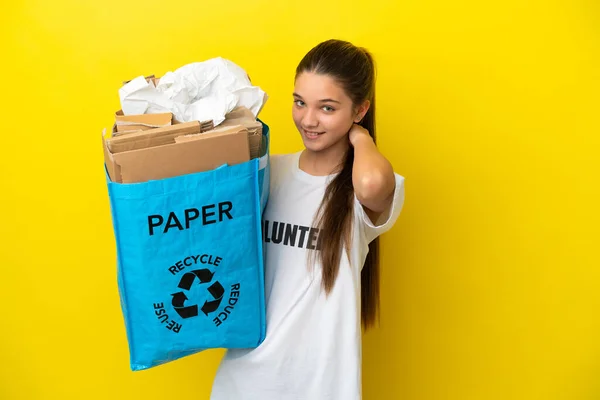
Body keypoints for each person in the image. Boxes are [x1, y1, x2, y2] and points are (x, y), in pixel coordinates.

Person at [210, 39, 406, 400]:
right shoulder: (269, 173)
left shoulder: (359, 191)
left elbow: (372, 183)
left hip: (322, 386)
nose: (308, 119)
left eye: (327, 108)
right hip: (244, 380)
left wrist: (360, 137)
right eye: (299, 102)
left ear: (360, 110)